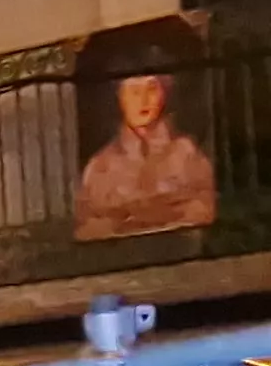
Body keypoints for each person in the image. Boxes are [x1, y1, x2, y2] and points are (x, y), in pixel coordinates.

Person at [73, 65, 218, 242]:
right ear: (120, 98)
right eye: (134, 91)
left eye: (151, 89)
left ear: (164, 93)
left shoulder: (186, 153)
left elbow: (206, 209)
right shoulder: (100, 166)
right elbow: (86, 229)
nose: (143, 100)